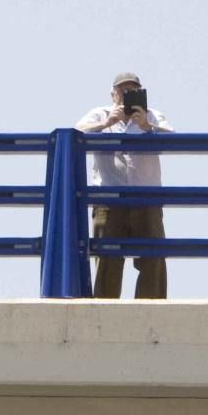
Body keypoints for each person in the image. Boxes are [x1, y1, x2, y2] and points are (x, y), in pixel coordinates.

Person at [75, 72, 174, 299]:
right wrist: (107, 123)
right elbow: (75, 135)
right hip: (109, 200)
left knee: (153, 260)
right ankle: (103, 314)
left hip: (146, 199)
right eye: (122, 91)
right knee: (107, 260)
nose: (127, 95)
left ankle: (151, 314)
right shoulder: (100, 114)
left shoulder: (153, 116)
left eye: (133, 91)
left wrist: (147, 127)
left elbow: (173, 140)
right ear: (113, 94)